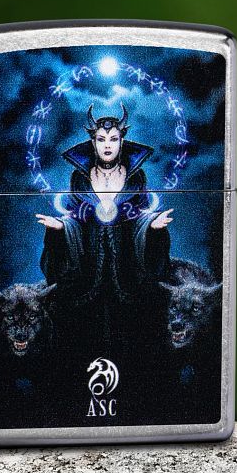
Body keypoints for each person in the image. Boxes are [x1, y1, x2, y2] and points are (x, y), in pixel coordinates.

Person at [35, 104, 173, 391]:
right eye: (101, 139)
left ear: (122, 141)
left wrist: (151, 227)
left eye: (113, 139)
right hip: (87, 269)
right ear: (93, 142)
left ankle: (137, 391)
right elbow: (76, 217)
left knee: (134, 329)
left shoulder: (136, 177)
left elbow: (138, 215)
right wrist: (62, 228)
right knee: (82, 329)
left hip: (127, 267)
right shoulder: (79, 178)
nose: (107, 145)